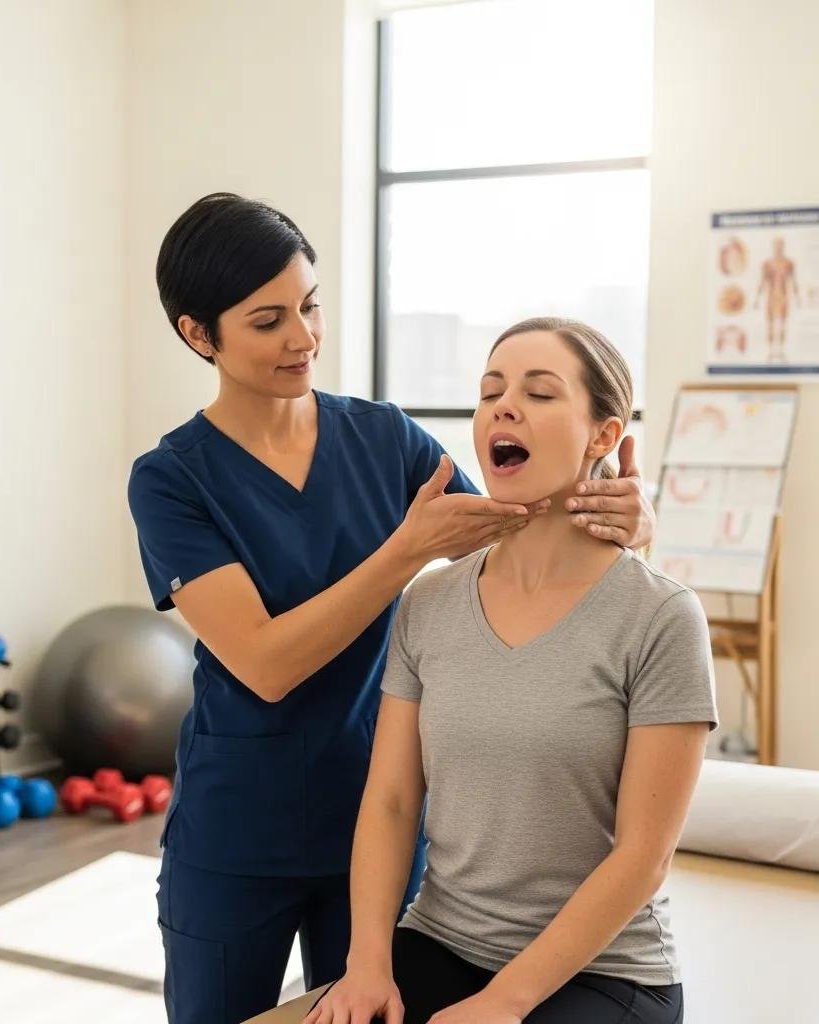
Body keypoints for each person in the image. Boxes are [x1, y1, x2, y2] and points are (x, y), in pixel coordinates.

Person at [127, 197, 658, 1024]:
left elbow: (516, 539)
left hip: (378, 826)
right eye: (268, 321)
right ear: (202, 335)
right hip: (240, 834)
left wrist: (631, 523)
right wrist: (405, 552)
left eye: (310, 305)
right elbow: (266, 665)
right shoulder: (171, 479)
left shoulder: (384, 440)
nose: (303, 337)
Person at [306, 317, 717, 1024]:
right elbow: (393, 802)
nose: (503, 405)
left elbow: (642, 857)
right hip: (442, 939)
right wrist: (367, 961)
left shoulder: (661, 618)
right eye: (491, 389)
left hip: (608, 970)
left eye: (540, 392)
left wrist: (504, 1002)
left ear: (602, 436)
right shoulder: (429, 601)